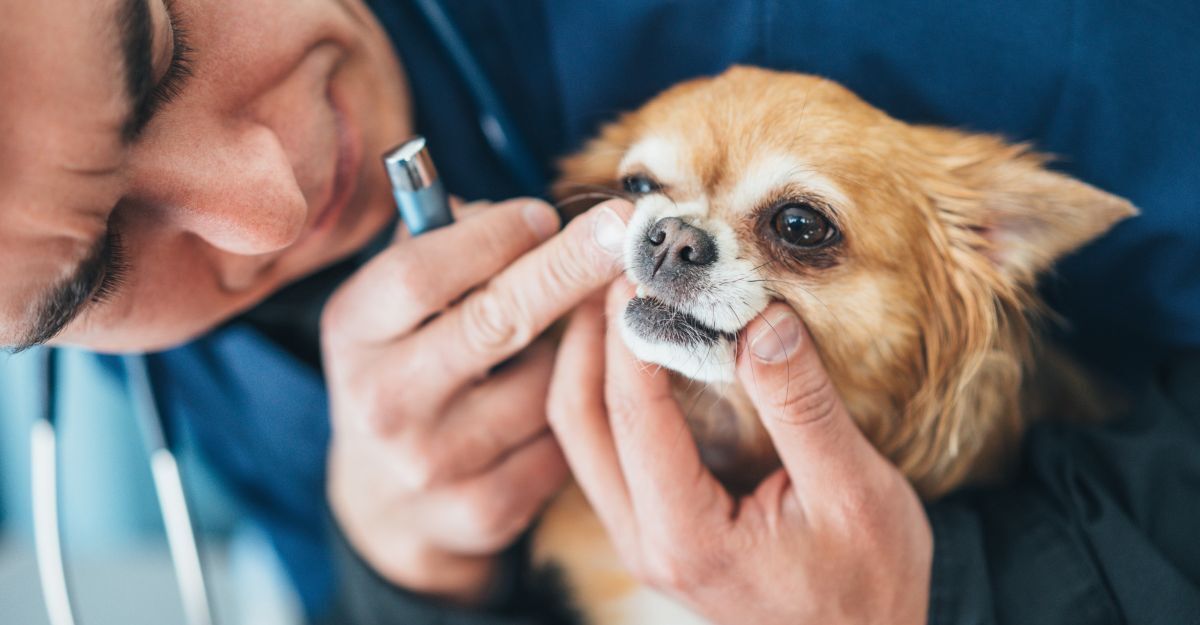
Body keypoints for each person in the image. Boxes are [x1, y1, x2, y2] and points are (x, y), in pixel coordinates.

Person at [1, 1, 1198, 624]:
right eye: (95, 268)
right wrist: (402, 579)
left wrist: (959, 597)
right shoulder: (181, 370)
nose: (271, 207)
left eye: (154, 56)